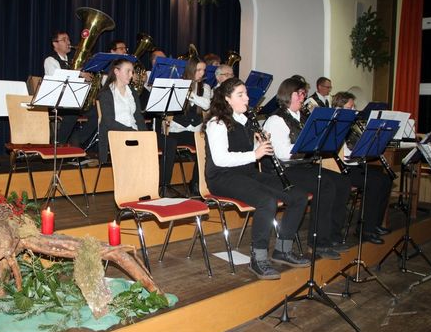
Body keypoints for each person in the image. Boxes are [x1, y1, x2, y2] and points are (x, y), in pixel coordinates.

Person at [204, 77, 310, 279]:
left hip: (247, 173)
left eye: (246, 94)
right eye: (240, 95)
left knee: (298, 196)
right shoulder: (216, 123)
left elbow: (244, 151)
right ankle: (258, 258)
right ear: (227, 99)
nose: (247, 98)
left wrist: (259, 145)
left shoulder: (245, 120)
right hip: (222, 177)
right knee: (266, 201)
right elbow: (221, 159)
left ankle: (283, 250)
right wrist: (256, 154)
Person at [263, 77, 352, 260]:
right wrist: (307, 145)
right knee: (325, 185)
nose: (303, 97)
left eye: (304, 93)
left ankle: (333, 235)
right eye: (300, 93)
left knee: (342, 182)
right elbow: (282, 153)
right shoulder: (276, 119)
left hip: (301, 166)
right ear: (289, 94)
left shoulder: (303, 117)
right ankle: (318, 243)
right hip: (283, 170)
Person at [97, 58, 177, 193]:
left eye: (132, 72)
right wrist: (133, 132)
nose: (131, 75)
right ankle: (136, 189)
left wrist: (145, 135)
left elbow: (138, 118)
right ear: (116, 72)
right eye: (128, 71)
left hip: (135, 133)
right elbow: (109, 122)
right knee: (138, 147)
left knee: (169, 143)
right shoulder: (106, 93)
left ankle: (162, 185)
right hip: (117, 134)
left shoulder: (132, 92)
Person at [332, 91, 392, 244]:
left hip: (355, 164)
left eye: (354, 107)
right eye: (350, 107)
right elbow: (341, 154)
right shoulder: (335, 124)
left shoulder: (352, 125)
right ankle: (365, 230)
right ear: (339, 108)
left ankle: (375, 224)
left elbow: (357, 146)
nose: (354, 110)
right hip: (341, 169)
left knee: (386, 180)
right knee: (374, 182)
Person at [43, 31, 97, 150]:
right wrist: (79, 73)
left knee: (97, 113)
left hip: (73, 102)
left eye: (68, 39)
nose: (68, 42)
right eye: (64, 40)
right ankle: (59, 144)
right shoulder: (50, 60)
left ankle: (77, 140)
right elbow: (57, 77)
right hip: (57, 102)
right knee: (72, 112)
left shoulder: (71, 62)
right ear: (55, 44)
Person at [168, 56, 211, 195]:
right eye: (198, 70)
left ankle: (196, 183)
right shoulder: (178, 84)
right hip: (177, 130)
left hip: (195, 131)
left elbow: (206, 104)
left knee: (206, 145)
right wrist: (183, 89)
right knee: (169, 144)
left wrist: (189, 93)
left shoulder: (205, 87)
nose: (202, 73)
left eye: (203, 70)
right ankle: (164, 184)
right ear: (191, 69)